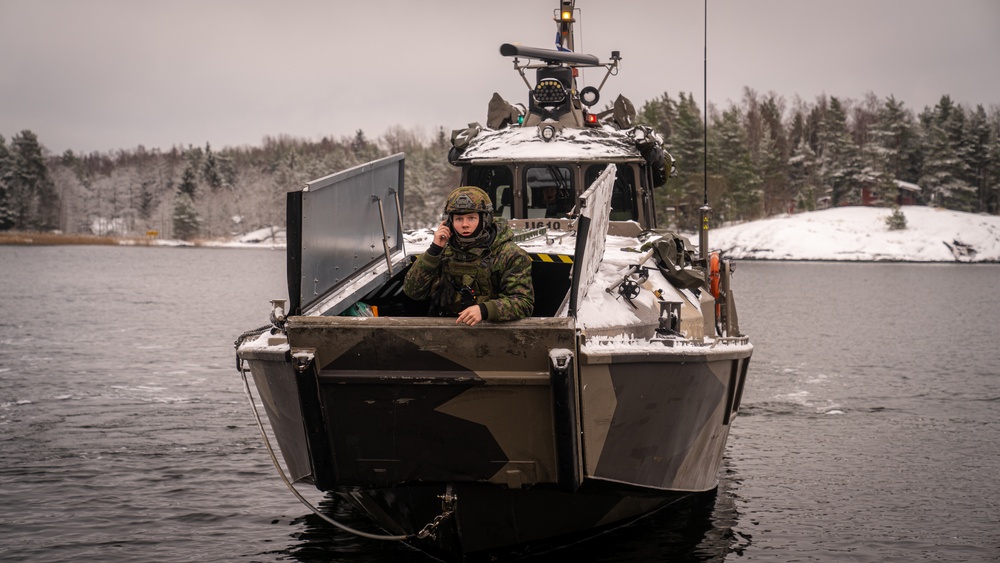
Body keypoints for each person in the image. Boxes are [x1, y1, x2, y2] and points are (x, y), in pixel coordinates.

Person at [403, 186, 534, 325]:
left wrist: (485, 310)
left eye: (471, 218)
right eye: (459, 219)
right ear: (449, 222)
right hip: (443, 329)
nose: (465, 225)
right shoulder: (443, 252)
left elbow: (523, 303)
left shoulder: (510, 255)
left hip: (491, 332)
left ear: (485, 219)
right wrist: (434, 250)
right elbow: (412, 292)